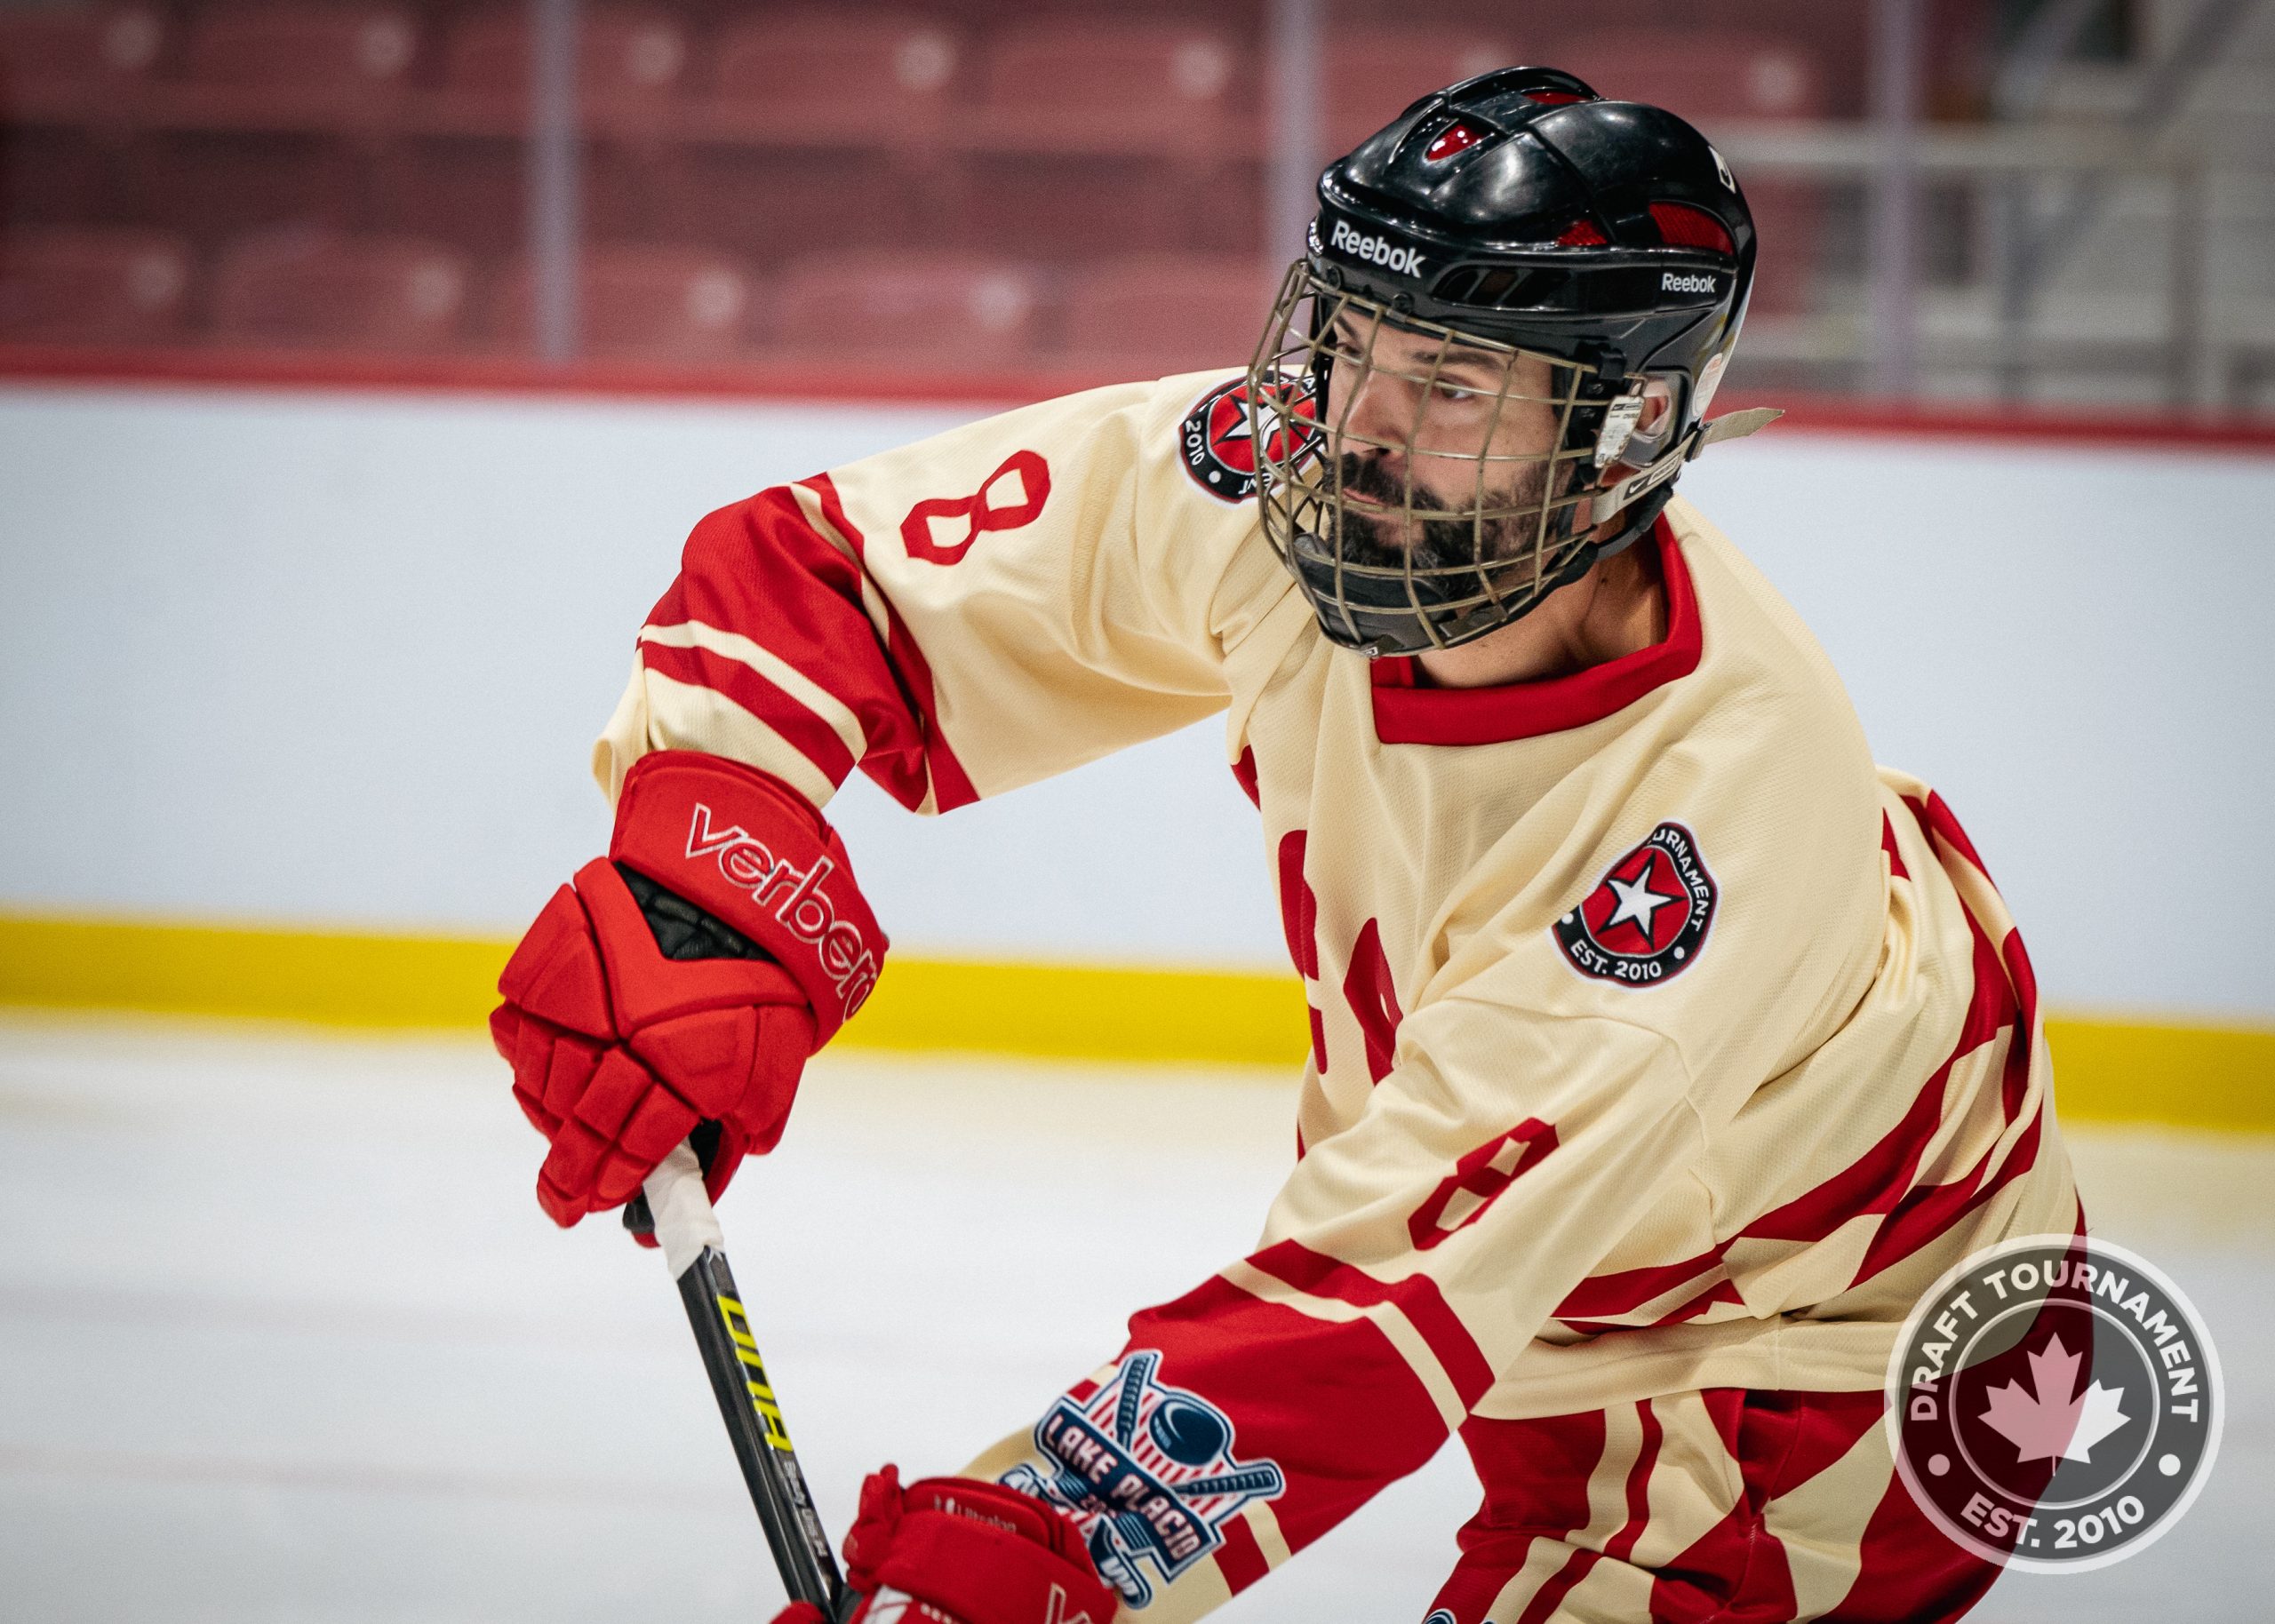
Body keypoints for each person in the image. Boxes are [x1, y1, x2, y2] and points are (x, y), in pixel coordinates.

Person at [489, 68, 2079, 1624]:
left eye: (1452, 387)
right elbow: (827, 575)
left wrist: (1011, 1564)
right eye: (1353, 342)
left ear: (1627, 425)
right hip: (1576, 1259)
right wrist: (711, 868)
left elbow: (1360, 1314)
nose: (1362, 428)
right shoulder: (1319, 473)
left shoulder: (1703, 832)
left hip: (1826, 1348)